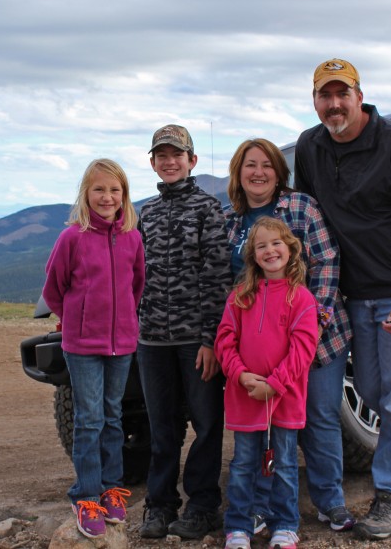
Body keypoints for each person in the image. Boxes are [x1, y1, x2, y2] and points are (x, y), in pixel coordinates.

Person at [294, 58, 391, 541]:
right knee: (369, 389)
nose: (335, 104)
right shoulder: (310, 146)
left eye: (343, 94)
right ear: (316, 100)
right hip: (355, 292)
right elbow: (309, 216)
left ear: (360, 96)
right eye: (326, 95)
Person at [225, 138, 354, 534]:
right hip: (260, 349)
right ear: (239, 172)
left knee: (318, 417)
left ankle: (329, 501)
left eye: (266, 164)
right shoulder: (232, 221)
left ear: (279, 171)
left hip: (310, 339)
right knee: (264, 426)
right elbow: (231, 283)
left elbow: (327, 259)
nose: (258, 172)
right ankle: (263, 508)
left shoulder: (300, 206)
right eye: (250, 165)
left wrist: (314, 321)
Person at [137, 124, 232, 540]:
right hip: (152, 339)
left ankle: (203, 505)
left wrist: (211, 339)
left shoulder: (208, 209)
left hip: (197, 340)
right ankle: (159, 506)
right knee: (163, 428)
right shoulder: (146, 212)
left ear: (192, 160)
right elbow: (136, 275)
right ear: (153, 163)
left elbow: (217, 277)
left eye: (177, 154)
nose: (169, 161)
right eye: (162, 155)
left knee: (208, 425)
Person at [42, 158, 145, 539]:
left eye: (114, 190)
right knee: (89, 420)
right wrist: (77, 320)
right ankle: (85, 494)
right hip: (83, 344)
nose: (107, 197)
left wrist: (124, 324)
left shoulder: (132, 237)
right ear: (86, 193)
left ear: (124, 196)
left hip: (121, 343)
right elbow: (54, 289)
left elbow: (137, 285)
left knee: (113, 416)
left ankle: (111, 487)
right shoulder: (72, 237)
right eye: (99, 189)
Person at [215, 216, 319, 549]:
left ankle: (285, 525)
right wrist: (241, 375)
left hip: (284, 399)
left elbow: (303, 351)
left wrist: (274, 384)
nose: (269, 250)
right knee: (244, 464)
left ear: (290, 249)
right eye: (261, 245)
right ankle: (239, 527)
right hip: (245, 397)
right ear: (252, 254)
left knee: (285, 464)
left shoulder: (301, 299)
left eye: (276, 243)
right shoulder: (239, 297)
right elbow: (224, 341)